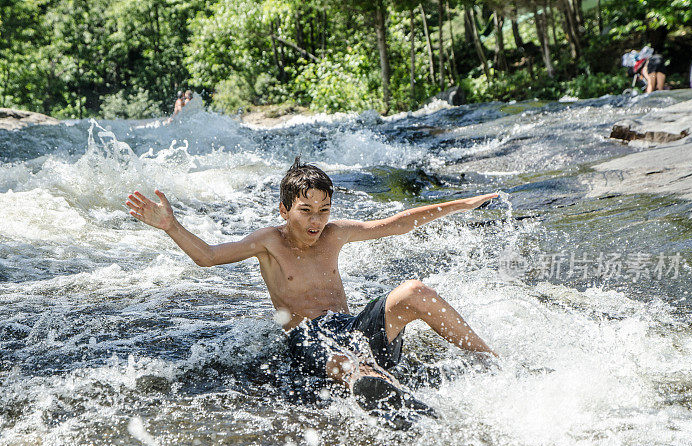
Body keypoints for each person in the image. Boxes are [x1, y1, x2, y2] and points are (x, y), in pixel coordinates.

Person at [126, 158, 498, 416]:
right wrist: (171, 226)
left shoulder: (334, 234)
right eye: (305, 210)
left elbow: (397, 223)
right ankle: (371, 384)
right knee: (344, 360)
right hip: (307, 338)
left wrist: (461, 204)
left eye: (324, 210)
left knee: (414, 291)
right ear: (284, 209)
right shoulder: (269, 241)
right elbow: (207, 256)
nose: (316, 220)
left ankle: (491, 362)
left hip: (351, 328)